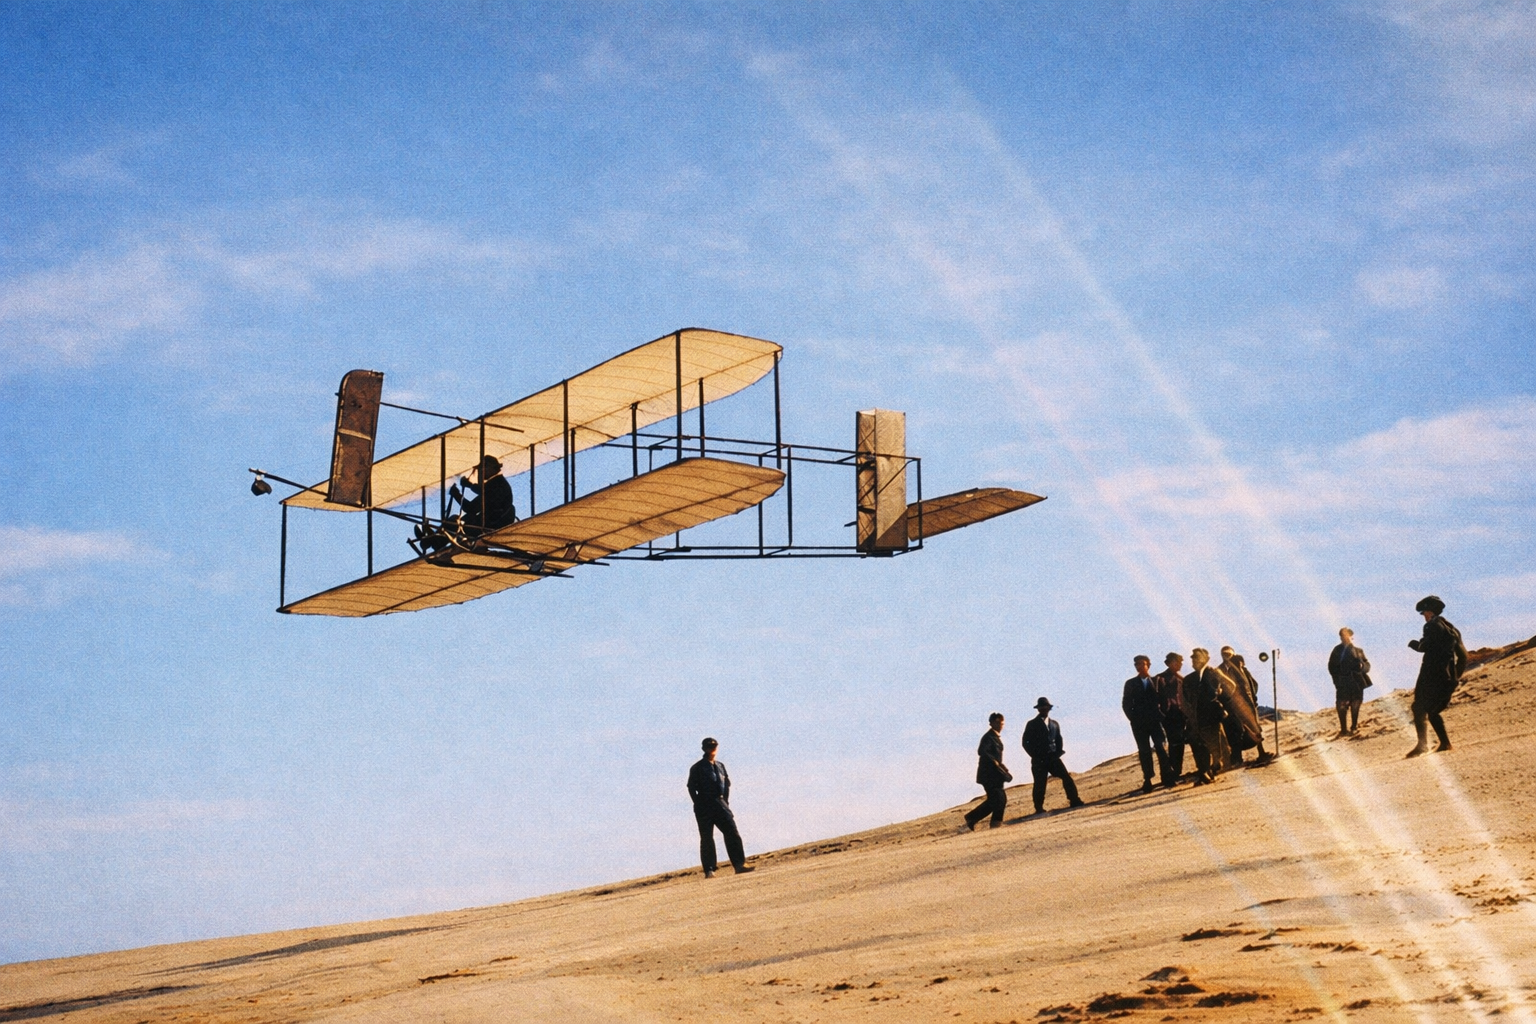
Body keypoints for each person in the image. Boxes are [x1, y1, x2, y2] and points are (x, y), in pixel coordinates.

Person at [1406, 596, 1468, 758]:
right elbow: (1463, 656)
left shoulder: (1431, 626)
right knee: (1433, 710)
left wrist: (1413, 644)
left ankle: (1424, 745)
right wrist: (1455, 677)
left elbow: (1424, 647)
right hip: (1447, 676)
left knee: (1419, 707)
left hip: (1430, 674)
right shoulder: (1452, 629)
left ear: (1430, 612)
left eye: (1424, 613)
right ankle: (1443, 743)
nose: (1424, 616)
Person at [686, 737, 754, 877]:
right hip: (704, 806)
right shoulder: (697, 767)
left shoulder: (720, 766)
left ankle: (739, 864)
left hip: (720, 804)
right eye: (709, 746)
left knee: (732, 832)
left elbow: (726, 784)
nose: (712, 749)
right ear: (704, 749)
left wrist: (725, 802)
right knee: (707, 838)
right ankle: (709, 870)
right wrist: (698, 803)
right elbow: (691, 787)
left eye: (714, 746)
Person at [1022, 698, 1084, 814]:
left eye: (1045, 707)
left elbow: (1059, 739)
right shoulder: (1032, 724)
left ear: (1049, 709)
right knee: (1040, 784)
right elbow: (1025, 742)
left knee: (1066, 777)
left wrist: (1058, 752)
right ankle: (1038, 808)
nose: (1044, 710)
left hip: (1053, 758)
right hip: (1039, 760)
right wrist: (1035, 755)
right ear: (1038, 709)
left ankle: (1074, 800)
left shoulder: (1054, 724)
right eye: (1041, 708)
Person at [1217, 646, 1273, 766]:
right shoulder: (1219, 671)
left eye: (1229, 654)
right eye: (1225, 654)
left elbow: (1252, 684)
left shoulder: (1242, 669)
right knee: (1236, 731)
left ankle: (1261, 752)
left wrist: (1253, 698)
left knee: (1255, 728)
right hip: (1231, 706)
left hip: (1248, 704)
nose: (1227, 657)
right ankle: (1236, 758)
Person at [1182, 649, 1230, 785]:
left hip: (1211, 716)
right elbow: (1185, 700)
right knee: (1199, 744)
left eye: (1196, 658)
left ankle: (1212, 767)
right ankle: (1205, 771)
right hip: (1197, 717)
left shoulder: (1213, 673)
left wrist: (1221, 696)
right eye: (1192, 659)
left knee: (1214, 744)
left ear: (1204, 659)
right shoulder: (1189, 679)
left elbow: (1230, 686)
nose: (1193, 661)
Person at [1121, 656, 1168, 794]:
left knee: (1160, 747)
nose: (1139, 666)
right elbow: (1126, 703)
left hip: (1155, 721)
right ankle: (1148, 779)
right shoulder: (1130, 683)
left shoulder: (1157, 681)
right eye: (1137, 664)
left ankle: (1166, 775)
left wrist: (1162, 715)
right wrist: (1133, 718)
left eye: (1142, 664)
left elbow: (1164, 699)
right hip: (1139, 723)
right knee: (1144, 751)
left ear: (1148, 665)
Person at [963, 713, 1013, 830]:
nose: (1000, 725)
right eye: (997, 723)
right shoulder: (988, 737)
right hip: (989, 775)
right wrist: (996, 764)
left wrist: (1003, 768)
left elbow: (996, 758)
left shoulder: (995, 737)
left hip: (996, 774)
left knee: (996, 800)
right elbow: (982, 751)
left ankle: (973, 818)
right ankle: (994, 824)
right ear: (991, 723)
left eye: (1001, 723)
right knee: (999, 799)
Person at [1328, 628, 1372, 737]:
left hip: (1357, 681)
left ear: (1351, 636)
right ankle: (1343, 729)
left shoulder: (1358, 651)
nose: (1345, 637)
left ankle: (1354, 726)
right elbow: (1331, 667)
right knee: (1341, 705)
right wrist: (1337, 680)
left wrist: (1362, 666)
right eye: (1343, 635)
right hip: (1343, 682)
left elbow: (1367, 665)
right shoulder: (1337, 650)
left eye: (1347, 635)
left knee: (1356, 703)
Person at [1153, 652, 1186, 787]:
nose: (1180, 665)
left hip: (1180, 714)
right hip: (1167, 716)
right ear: (1170, 663)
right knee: (1171, 744)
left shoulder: (1181, 679)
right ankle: (1169, 775)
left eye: (1180, 662)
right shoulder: (1159, 679)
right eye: (1177, 662)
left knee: (1179, 743)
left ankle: (1176, 772)